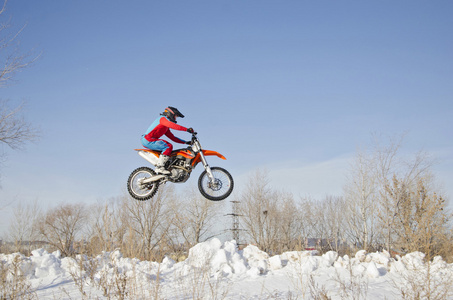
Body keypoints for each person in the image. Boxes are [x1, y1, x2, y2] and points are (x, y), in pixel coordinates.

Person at [141, 106, 194, 174]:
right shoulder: (162, 119)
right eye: (176, 116)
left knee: (169, 150)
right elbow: (173, 125)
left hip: (150, 140)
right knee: (168, 146)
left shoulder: (165, 127)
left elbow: (173, 137)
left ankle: (165, 167)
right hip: (148, 139)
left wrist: (185, 142)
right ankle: (160, 167)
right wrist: (186, 129)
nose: (175, 118)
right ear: (170, 114)